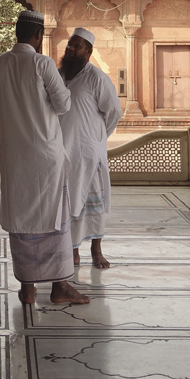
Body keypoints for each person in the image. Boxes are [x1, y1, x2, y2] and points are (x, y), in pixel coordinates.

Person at [0, 9, 91, 307]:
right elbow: (63, 103)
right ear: (37, 36)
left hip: (15, 158)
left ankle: (28, 289)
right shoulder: (42, 64)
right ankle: (59, 287)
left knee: (23, 220)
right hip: (46, 157)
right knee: (54, 218)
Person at [59, 26, 122, 269]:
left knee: (92, 204)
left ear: (89, 51)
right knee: (68, 203)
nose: (71, 50)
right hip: (64, 152)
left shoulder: (97, 78)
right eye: (69, 45)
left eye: (77, 46)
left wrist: (97, 138)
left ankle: (96, 250)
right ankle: (72, 250)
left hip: (89, 153)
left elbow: (114, 112)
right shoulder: (59, 75)